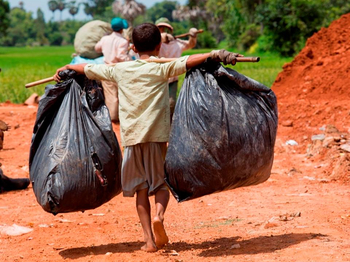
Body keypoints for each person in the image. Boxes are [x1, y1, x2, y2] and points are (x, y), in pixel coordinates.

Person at [53, 23, 241, 252]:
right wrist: (215, 54)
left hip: (132, 138)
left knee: (141, 190)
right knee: (161, 184)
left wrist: (67, 66)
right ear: (159, 46)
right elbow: (190, 60)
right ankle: (159, 216)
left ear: (132, 47)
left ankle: (148, 241)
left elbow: (90, 68)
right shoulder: (162, 68)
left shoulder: (120, 70)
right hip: (157, 137)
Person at [155, 17, 199, 121]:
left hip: (172, 79)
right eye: (160, 28)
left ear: (170, 30)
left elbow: (190, 44)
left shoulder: (177, 43)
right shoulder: (154, 43)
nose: (163, 31)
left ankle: (169, 126)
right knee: (157, 104)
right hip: (158, 78)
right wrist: (162, 38)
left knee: (171, 103)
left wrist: (193, 36)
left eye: (165, 28)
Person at [94, 17, 131, 123]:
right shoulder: (123, 41)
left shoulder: (105, 39)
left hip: (106, 68)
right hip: (118, 69)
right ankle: (116, 119)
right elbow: (120, 56)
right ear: (122, 29)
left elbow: (97, 48)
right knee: (121, 94)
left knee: (111, 95)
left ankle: (111, 119)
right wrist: (129, 58)